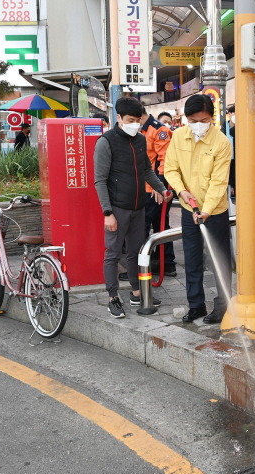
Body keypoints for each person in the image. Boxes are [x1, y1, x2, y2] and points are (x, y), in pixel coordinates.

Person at [94, 97, 171, 319]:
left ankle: (137, 292)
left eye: (138, 120)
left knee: (137, 253)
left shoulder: (139, 140)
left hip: (139, 206)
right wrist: (107, 212)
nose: (135, 124)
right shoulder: (106, 142)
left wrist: (161, 189)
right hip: (117, 209)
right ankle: (112, 297)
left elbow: (147, 170)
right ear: (118, 118)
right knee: (113, 254)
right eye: (130, 120)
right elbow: (99, 180)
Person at [164, 94, 232, 324]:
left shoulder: (221, 143)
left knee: (218, 260)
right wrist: (181, 191)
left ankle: (222, 306)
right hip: (188, 207)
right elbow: (170, 169)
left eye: (202, 120)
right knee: (192, 259)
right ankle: (196, 305)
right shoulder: (179, 136)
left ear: (211, 118)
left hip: (215, 211)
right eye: (192, 120)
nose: (197, 125)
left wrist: (207, 210)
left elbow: (219, 182)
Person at [140, 107, 176, 274]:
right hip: (147, 188)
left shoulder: (159, 130)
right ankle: (165, 263)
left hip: (154, 189)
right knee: (159, 226)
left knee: (146, 227)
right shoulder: (143, 129)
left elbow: (165, 160)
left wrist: (159, 186)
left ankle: (144, 267)